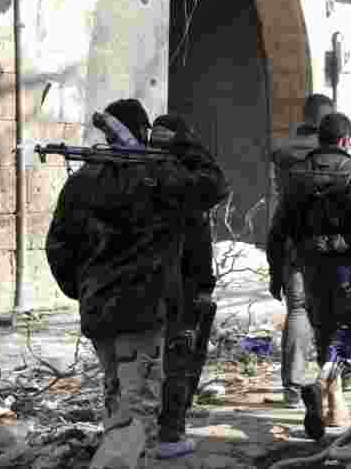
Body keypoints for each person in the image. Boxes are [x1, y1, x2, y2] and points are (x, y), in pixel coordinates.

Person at [45, 99, 228, 458]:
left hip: (98, 310)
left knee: (117, 404)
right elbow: (214, 186)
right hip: (141, 312)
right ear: (143, 133)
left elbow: (58, 248)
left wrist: (84, 289)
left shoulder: (82, 181)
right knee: (138, 411)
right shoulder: (155, 180)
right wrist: (185, 145)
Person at [268, 113, 351, 440]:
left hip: (309, 263)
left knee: (323, 329)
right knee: (347, 329)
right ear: (347, 140)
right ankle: (321, 387)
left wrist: (277, 271)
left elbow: (278, 229)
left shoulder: (297, 173)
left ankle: (334, 404)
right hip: (346, 263)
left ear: (320, 139)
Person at [154, 115, 230, 459]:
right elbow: (217, 184)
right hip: (180, 283)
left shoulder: (134, 171)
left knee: (141, 360)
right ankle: (169, 432)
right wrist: (187, 146)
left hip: (138, 283)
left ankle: (137, 429)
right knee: (178, 357)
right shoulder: (182, 177)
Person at [269, 93, 335, 406]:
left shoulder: (281, 151)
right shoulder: (335, 153)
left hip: (292, 238)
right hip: (329, 243)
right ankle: (329, 384)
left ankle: (292, 386)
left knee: (297, 309)